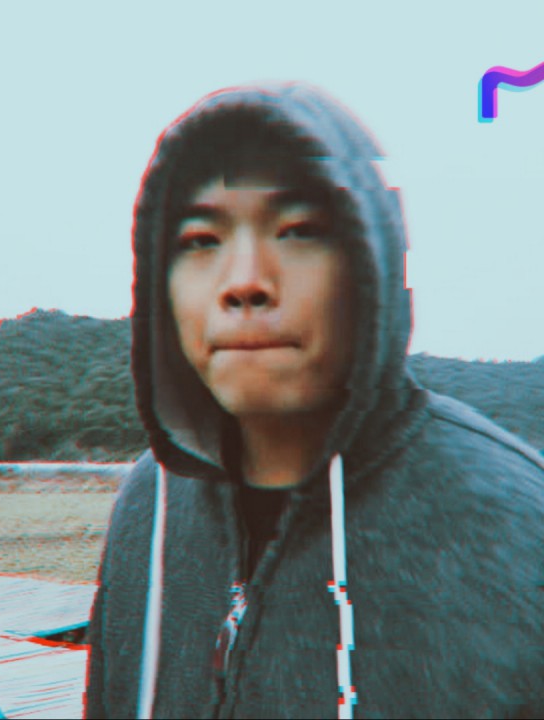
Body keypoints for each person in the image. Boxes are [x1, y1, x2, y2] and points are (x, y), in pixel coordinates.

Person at [84, 82, 544, 719]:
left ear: (371, 264)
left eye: (298, 231)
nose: (245, 282)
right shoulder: (149, 505)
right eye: (201, 239)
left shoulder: (512, 524)